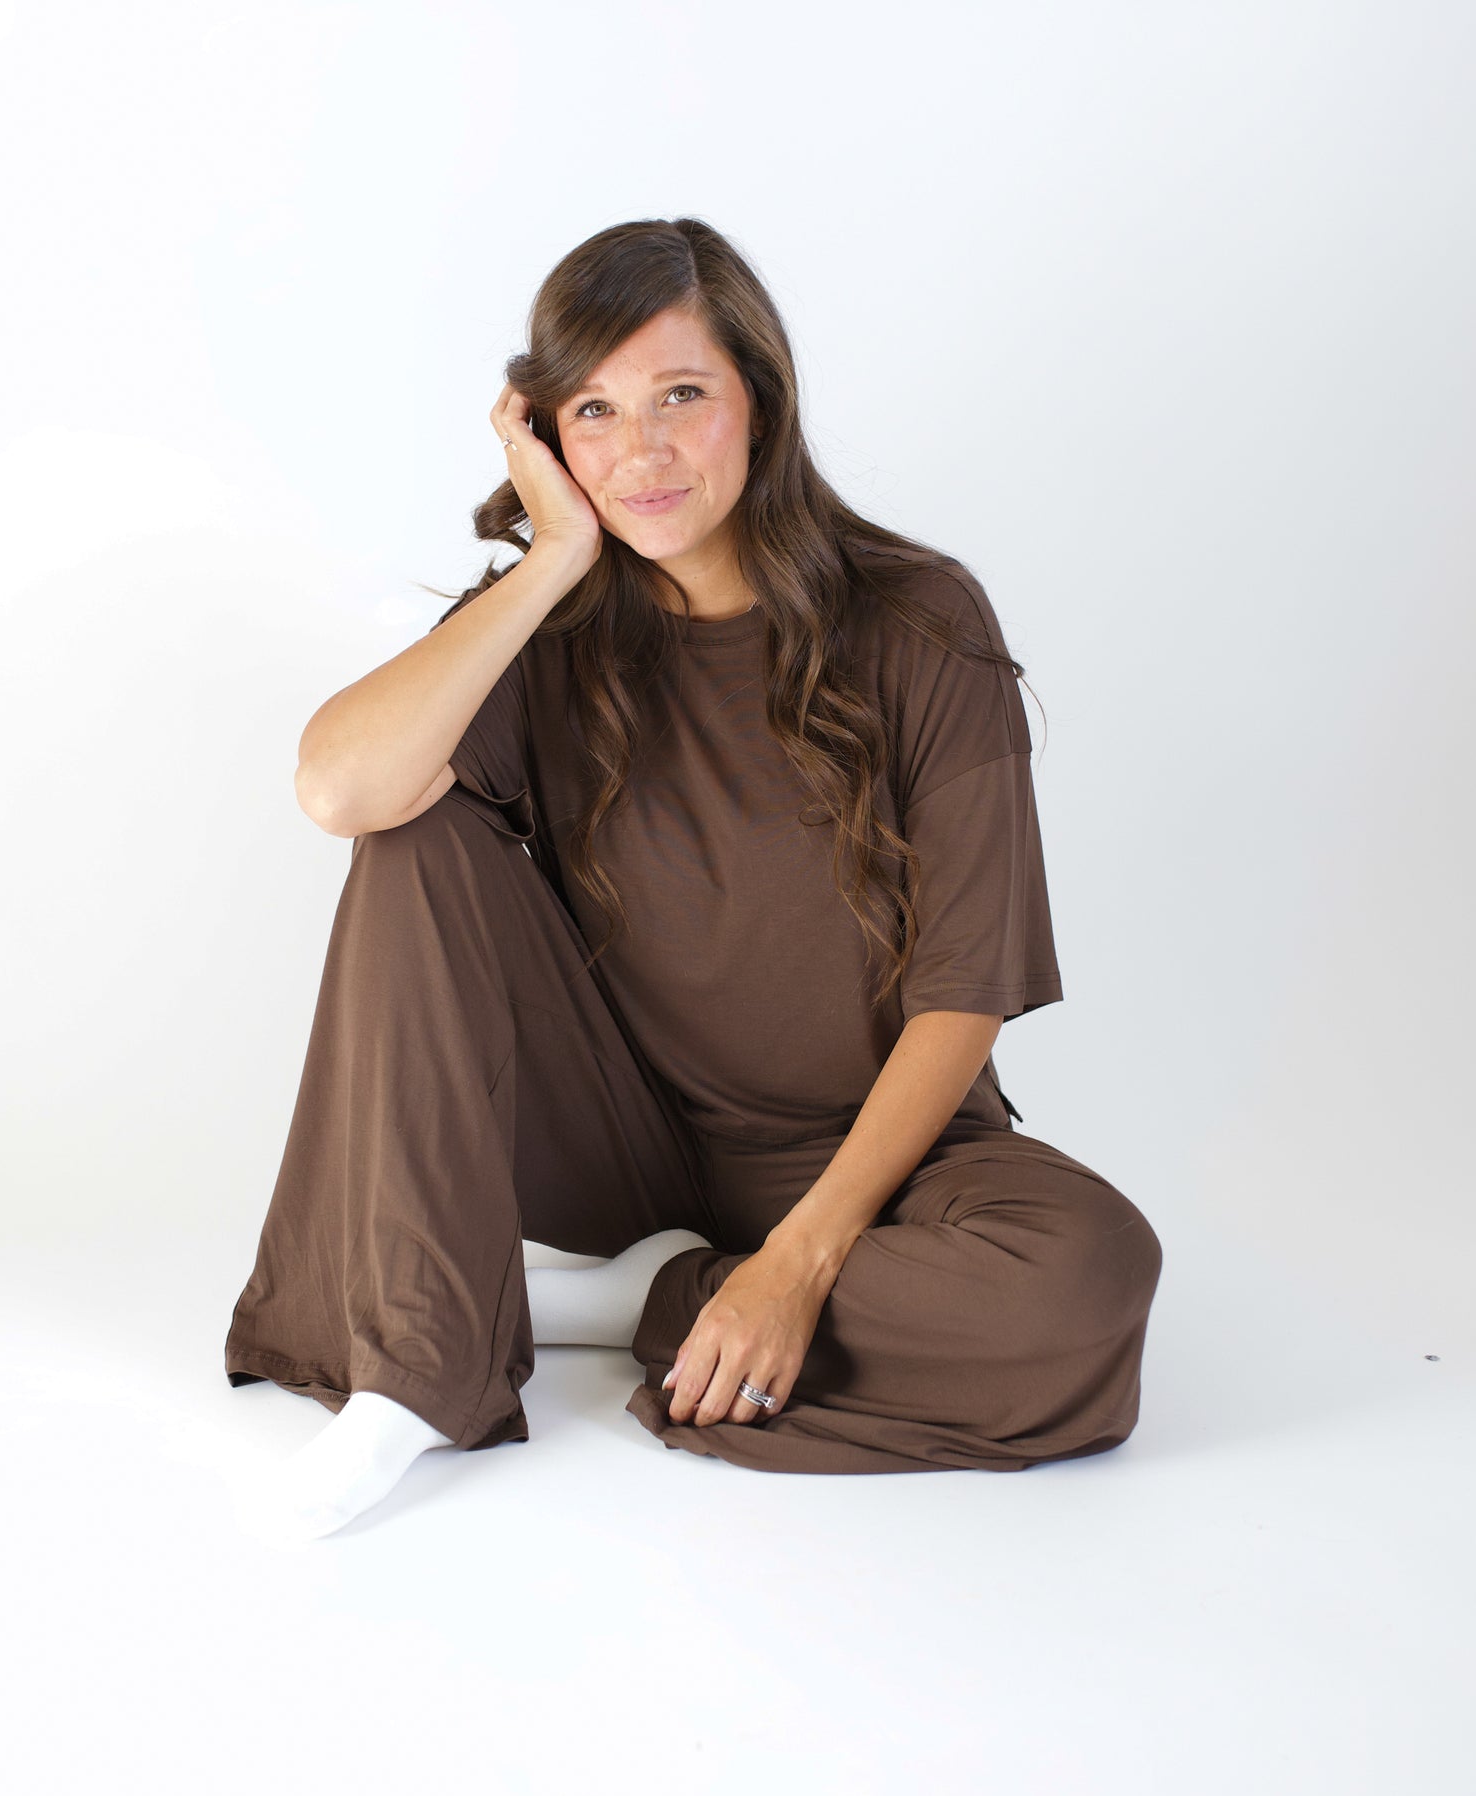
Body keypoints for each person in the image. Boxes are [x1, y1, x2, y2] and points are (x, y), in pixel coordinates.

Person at [222, 217, 1163, 1540]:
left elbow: (967, 985)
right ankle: (420, 1371)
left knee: (1087, 1281)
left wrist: (798, 1261)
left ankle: (646, 1301)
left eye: (682, 395)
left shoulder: (921, 620)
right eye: (594, 411)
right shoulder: (549, 630)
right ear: (546, 439)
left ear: (758, 406)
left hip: (876, 1158)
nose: (642, 450)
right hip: (611, 1134)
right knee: (416, 827)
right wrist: (552, 558)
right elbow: (344, 791)